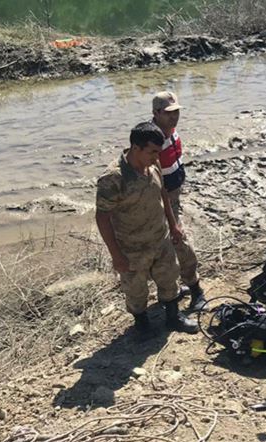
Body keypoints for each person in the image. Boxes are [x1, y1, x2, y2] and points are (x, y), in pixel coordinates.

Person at [96, 122, 198, 335]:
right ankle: (141, 324)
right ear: (135, 148)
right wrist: (116, 255)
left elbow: (163, 195)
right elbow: (102, 218)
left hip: (160, 239)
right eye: (152, 152)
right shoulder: (113, 178)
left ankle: (173, 318)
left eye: (158, 152)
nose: (156, 157)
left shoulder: (154, 164)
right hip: (131, 247)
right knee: (136, 291)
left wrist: (174, 225)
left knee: (169, 279)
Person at [151, 91, 206, 311]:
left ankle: (175, 288)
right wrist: (172, 220)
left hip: (175, 193)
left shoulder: (170, 130)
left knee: (171, 243)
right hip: (162, 200)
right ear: (156, 113)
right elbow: (157, 182)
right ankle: (195, 289)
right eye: (168, 113)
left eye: (177, 112)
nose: (174, 117)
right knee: (179, 240)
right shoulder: (153, 139)